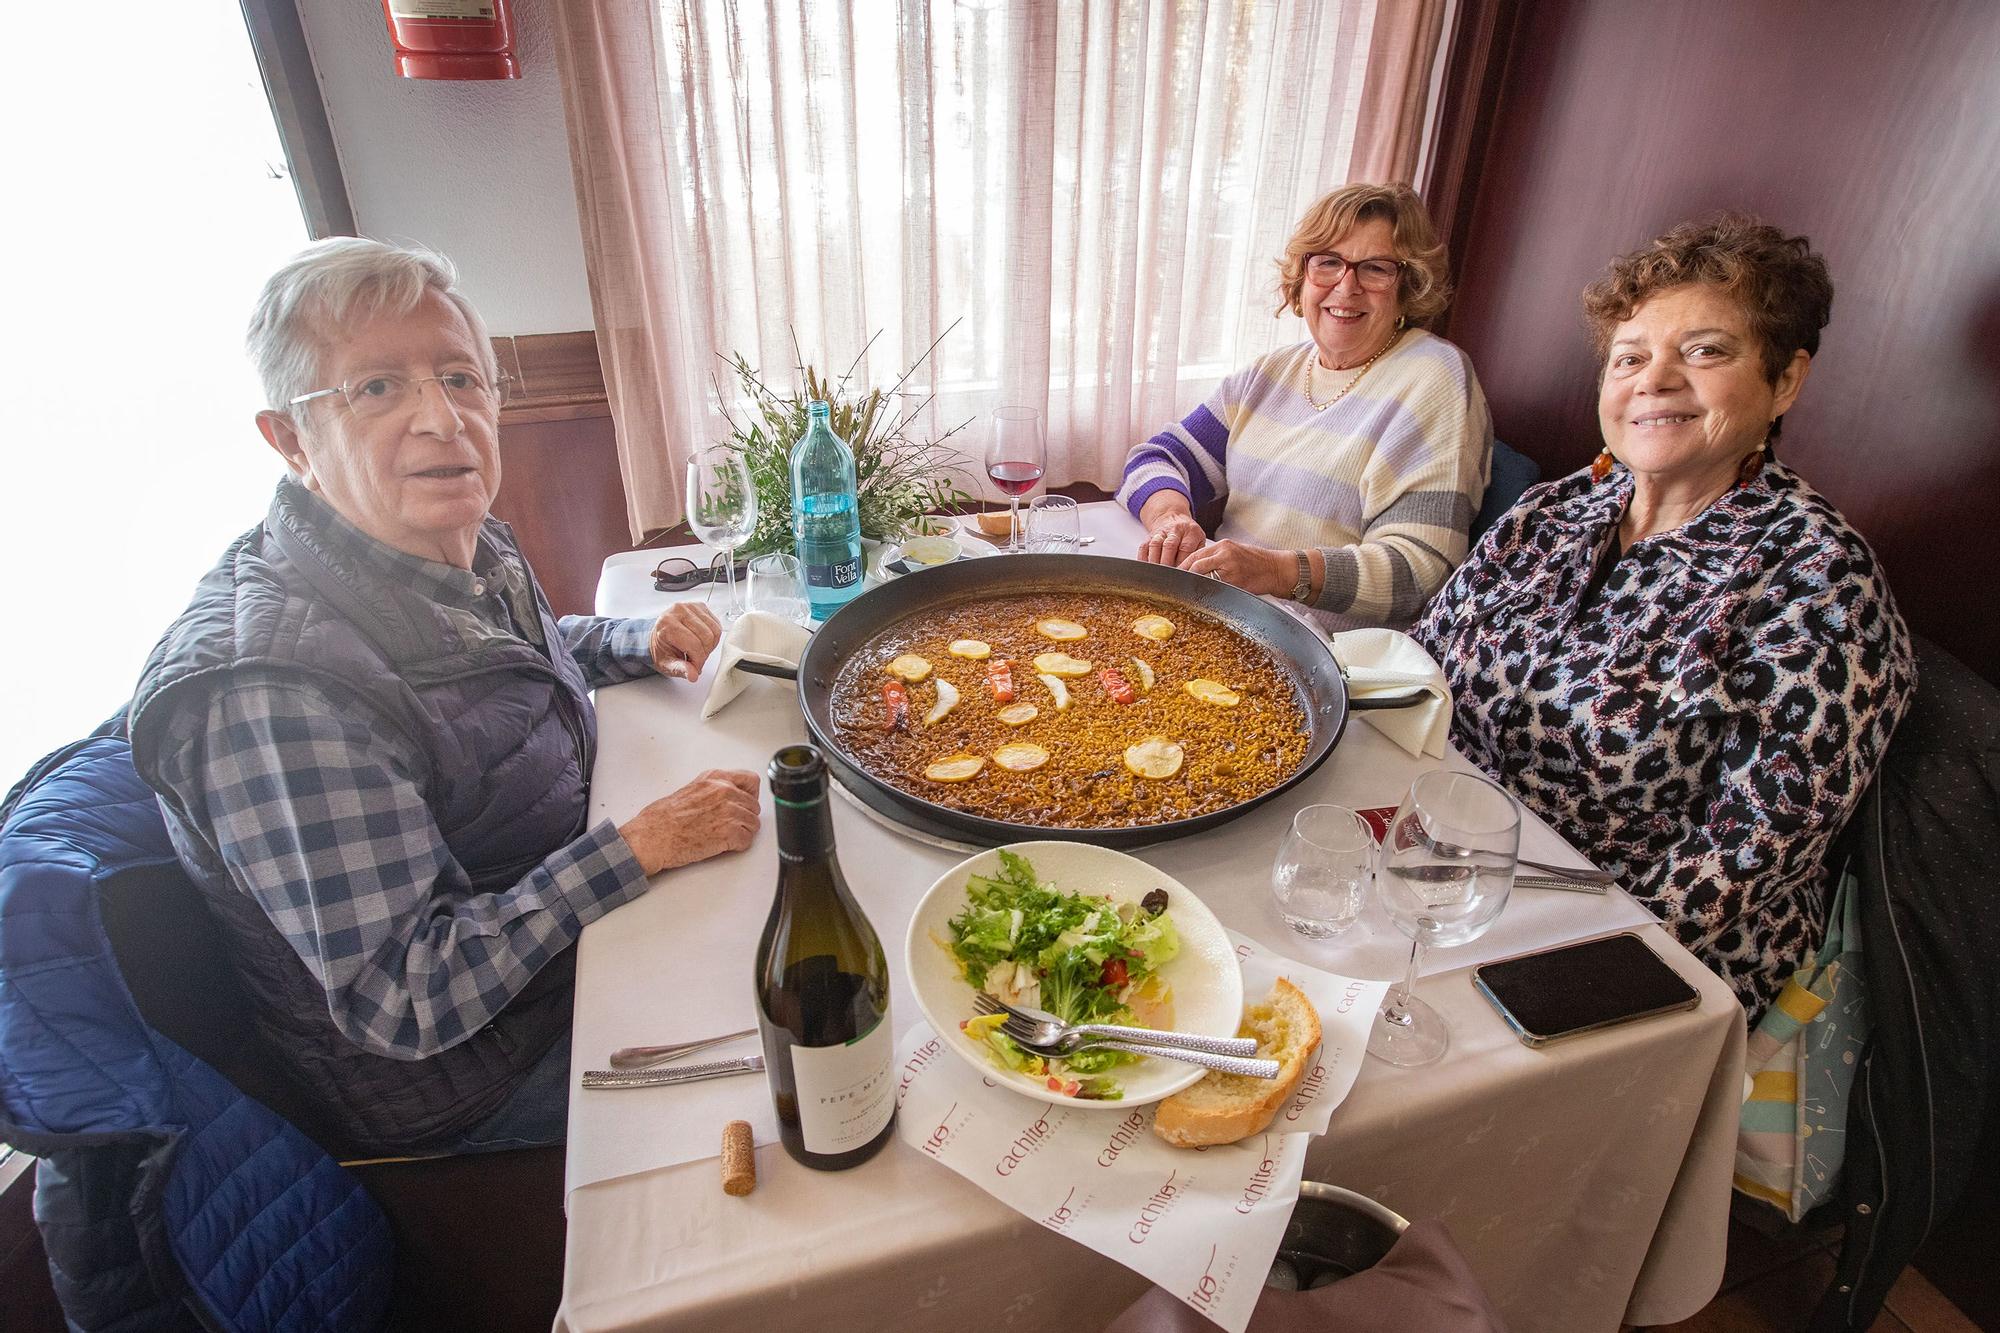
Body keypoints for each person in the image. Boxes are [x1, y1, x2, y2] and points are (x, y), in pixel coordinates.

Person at [125, 238, 761, 1156]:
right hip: (474, 1076)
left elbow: (510, 662)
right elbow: (409, 994)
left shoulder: (444, 537)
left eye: (461, 377)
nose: (442, 418)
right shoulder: (274, 694)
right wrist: (638, 846)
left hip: (554, 959)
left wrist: (632, 637)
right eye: (377, 387)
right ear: (293, 439)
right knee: (812, 1039)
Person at [1412, 215, 1916, 1021]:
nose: (1655, 380)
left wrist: (1519, 972)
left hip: (1622, 947)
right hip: (1439, 875)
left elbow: (1739, 863)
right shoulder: (1553, 512)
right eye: (1630, 357)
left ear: (1785, 381)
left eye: (1706, 351)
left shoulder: (1820, 583)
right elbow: (1418, 673)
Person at [1118, 182, 1492, 630]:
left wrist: (1276, 571)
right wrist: (1172, 517)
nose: (1346, 286)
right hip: (1226, 618)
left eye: (1374, 269)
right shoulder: (1272, 372)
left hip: (1329, 653)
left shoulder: (1435, 377)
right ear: (1303, 276)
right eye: (1328, 262)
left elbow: (1419, 574)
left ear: (1408, 286)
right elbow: (1157, 457)